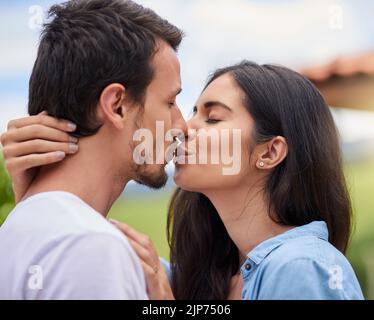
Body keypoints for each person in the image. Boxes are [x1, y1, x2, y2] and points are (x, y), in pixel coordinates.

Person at [0, 0, 186, 300]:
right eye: (170, 102)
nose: (182, 126)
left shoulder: (15, 231)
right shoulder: (92, 247)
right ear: (117, 105)